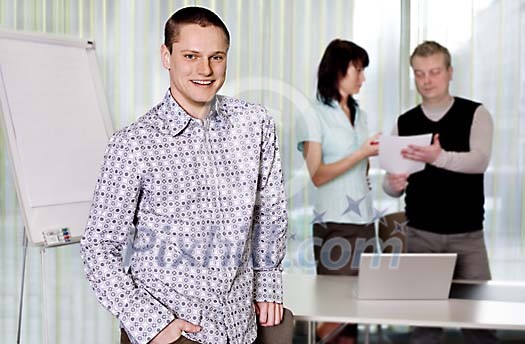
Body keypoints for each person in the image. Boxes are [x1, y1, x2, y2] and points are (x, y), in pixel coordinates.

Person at [80, 7, 291, 344]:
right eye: (191, 56)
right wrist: (148, 321)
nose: (205, 70)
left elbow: (269, 211)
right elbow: (99, 246)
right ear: (167, 56)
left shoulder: (256, 125)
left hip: (241, 326)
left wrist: (267, 280)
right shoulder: (133, 144)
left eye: (216, 57)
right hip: (172, 329)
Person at [383, 40, 498, 344]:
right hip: (421, 235)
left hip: (469, 236)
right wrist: (392, 185)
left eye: (434, 71)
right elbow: (389, 180)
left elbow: (479, 161)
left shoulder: (476, 113)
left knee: (479, 324)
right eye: (419, 73)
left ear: (450, 72)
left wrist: (439, 157)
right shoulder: (404, 122)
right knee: (424, 325)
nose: (427, 80)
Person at [296, 39, 380, 344]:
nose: (362, 78)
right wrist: (360, 154)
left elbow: (362, 169)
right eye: (357, 70)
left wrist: (368, 159)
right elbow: (317, 175)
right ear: (336, 71)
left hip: (365, 223)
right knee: (335, 312)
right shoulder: (312, 113)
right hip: (335, 224)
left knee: (357, 311)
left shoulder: (360, 113)